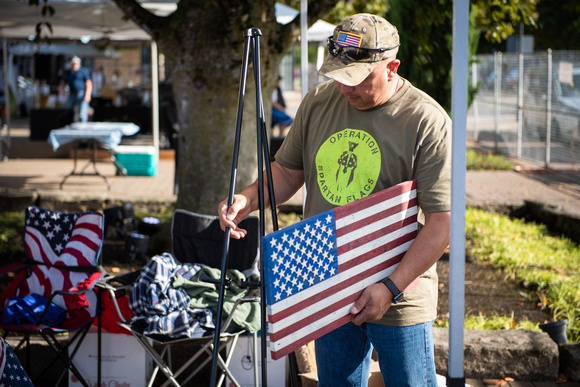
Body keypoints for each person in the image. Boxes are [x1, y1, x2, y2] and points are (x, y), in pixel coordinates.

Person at [219, 13, 451, 387]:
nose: (345, 88)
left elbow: (444, 224)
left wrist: (390, 288)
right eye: (338, 76)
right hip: (330, 282)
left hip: (401, 291)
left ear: (392, 67)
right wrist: (246, 200)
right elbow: (286, 173)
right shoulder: (317, 103)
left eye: (357, 78)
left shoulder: (426, 120)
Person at [62, 56, 92, 122]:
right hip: (72, 93)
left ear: (79, 64)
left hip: (81, 94)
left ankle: (83, 126)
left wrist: (88, 95)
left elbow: (88, 83)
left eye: (76, 64)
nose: (74, 65)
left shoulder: (83, 71)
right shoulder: (68, 72)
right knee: (68, 110)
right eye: (73, 64)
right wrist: (62, 92)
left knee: (82, 113)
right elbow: (64, 83)